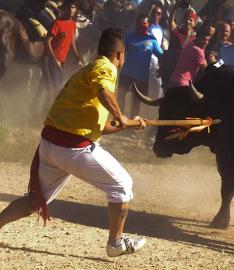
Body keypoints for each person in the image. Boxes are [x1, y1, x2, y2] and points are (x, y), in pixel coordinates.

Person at [0, 28, 147, 257]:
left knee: (34, 201)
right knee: (122, 185)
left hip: (51, 145)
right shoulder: (105, 67)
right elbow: (104, 93)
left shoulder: (89, 68)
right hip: (70, 147)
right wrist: (121, 116)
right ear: (120, 54)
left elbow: (98, 127)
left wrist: (129, 124)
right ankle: (115, 243)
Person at [118, 14, 163, 117]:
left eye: (144, 23)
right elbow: (121, 52)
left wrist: (162, 69)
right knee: (120, 97)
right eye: (139, 23)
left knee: (136, 103)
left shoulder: (152, 40)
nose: (141, 25)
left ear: (148, 24)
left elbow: (161, 56)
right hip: (126, 73)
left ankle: (131, 126)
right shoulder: (129, 37)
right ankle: (118, 118)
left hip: (141, 77)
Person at [43, 0, 82, 95]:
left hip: (62, 62)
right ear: (64, 9)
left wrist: (78, 58)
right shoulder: (57, 23)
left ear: (76, 9)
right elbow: (47, 41)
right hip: (51, 62)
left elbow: (71, 42)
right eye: (68, 7)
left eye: (73, 7)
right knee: (56, 90)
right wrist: (54, 60)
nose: (71, 10)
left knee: (57, 88)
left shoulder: (73, 24)